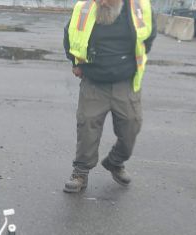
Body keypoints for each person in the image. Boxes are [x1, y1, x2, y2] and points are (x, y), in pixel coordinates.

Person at [62, 0, 157, 193]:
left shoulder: (140, 7)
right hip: (94, 80)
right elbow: (70, 35)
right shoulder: (84, 8)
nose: (103, 1)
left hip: (126, 81)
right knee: (87, 126)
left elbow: (149, 35)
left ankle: (115, 162)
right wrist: (75, 62)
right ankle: (80, 172)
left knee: (132, 125)